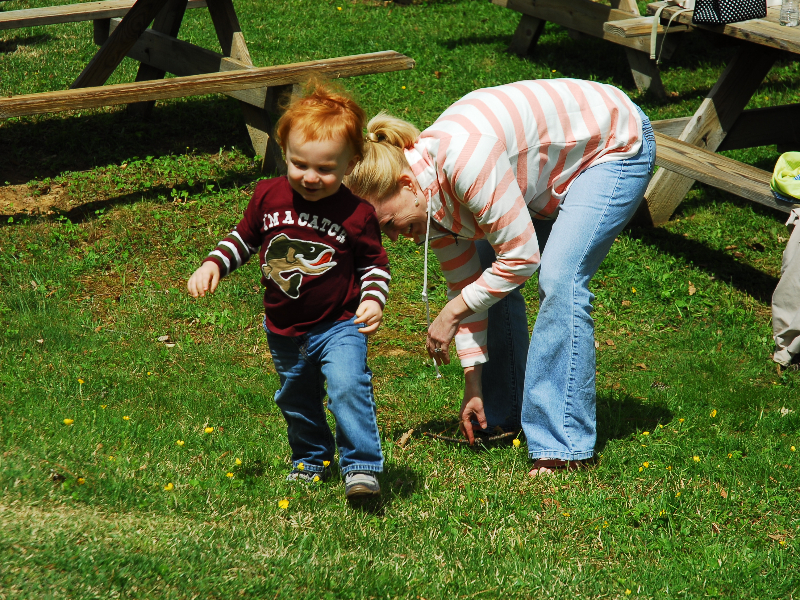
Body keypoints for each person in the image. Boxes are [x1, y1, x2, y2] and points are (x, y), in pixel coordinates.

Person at [345, 79, 655, 477]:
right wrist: (472, 383)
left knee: (560, 277)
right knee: (487, 269)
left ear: (407, 185)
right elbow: (467, 283)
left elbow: (522, 258)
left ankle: (562, 447)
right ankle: (501, 411)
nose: (391, 237)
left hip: (612, 142)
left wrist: (450, 313)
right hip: (549, 172)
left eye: (388, 223)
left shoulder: (463, 162)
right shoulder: (428, 200)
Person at [187, 82, 391, 499]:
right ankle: (311, 459)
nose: (310, 177)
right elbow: (244, 239)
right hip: (283, 327)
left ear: (351, 164)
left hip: (340, 324)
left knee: (348, 387)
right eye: (299, 164)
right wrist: (213, 263)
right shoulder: (268, 195)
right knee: (296, 397)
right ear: (283, 150)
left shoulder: (357, 214)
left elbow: (374, 265)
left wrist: (372, 298)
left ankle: (361, 467)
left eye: (325, 169)